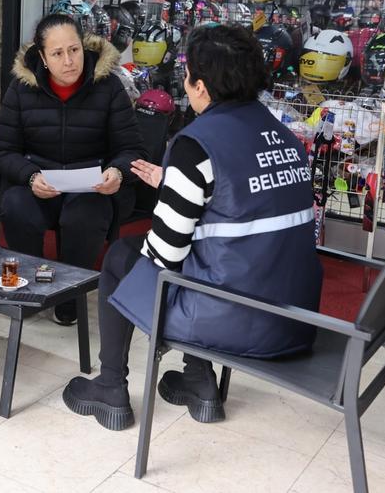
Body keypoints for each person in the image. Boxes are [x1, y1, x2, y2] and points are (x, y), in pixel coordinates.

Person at [60, 24, 323, 430]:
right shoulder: (286, 137)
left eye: (187, 76)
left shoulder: (195, 144)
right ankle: (200, 383)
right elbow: (243, 208)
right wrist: (176, 187)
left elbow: (164, 256)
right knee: (208, 255)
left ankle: (111, 387)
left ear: (200, 86)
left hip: (234, 322)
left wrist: (174, 196)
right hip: (295, 316)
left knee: (122, 256)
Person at [0, 13, 146, 325]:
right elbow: (2, 151)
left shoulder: (109, 87)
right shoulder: (21, 89)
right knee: (16, 205)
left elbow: (133, 150)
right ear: (42, 58)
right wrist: (30, 176)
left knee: (84, 216)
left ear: (83, 47)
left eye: (74, 50)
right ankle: (29, 286)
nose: (69, 61)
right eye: (57, 53)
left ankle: (70, 294)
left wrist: (117, 172)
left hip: (91, 186)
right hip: (39, 183)